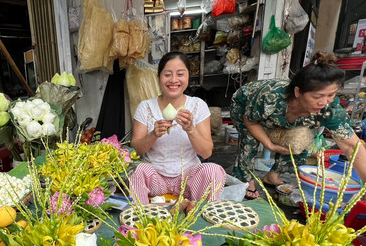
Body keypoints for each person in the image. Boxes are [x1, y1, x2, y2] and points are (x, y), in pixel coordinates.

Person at [231, 51, 366, 200]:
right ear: (297, 92)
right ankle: (244, 180)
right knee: (251, 140)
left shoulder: (329, 110)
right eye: (317, 96)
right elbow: (250, 121)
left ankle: (272, 176)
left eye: (331, 95)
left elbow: (351, 146)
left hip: (286, 115)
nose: (324, 102)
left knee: (298, 142)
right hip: (245, 105)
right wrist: (269, 144)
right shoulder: (271, 98)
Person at [129, 51, 227, 204]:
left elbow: (206, 152)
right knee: (138, 170)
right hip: (156, 178)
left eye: (180, 74)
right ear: (159, 77)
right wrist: (153, 134)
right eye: (167, 74)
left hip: (188, 179)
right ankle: (143, 218)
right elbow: (135, 150)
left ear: (188, 76)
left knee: (212, 171)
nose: (174, 80)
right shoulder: (146, 106)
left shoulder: (197, 105)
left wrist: (191, 129)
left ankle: (199, 216)